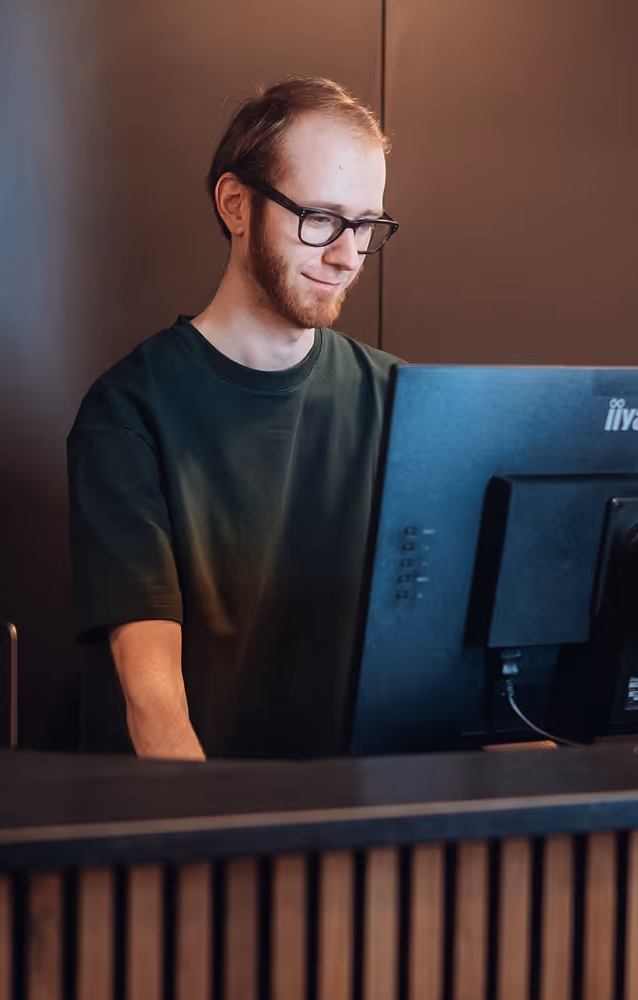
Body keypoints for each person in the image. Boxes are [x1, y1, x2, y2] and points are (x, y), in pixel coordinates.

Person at [66, 78, 401, 760]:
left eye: (367, 225)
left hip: (368, 831)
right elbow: (153, 703)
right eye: (321, 219)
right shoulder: (127, 412)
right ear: (236, 204)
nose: (346, 256)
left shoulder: (400, 399)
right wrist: (224, 854)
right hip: (211, 832)